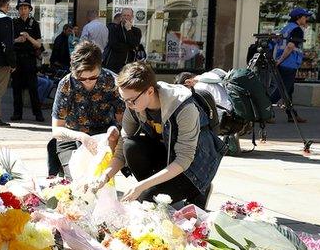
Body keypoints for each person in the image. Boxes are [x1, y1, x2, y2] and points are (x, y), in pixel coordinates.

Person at [96, 62, 224, 208]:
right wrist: (104, 176)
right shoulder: (134, 105)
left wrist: (141, 187)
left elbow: (184, 159)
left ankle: (198, 189)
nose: (127, 105)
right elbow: (121, 149)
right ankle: (156, 189)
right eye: (123, 100)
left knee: (144, 202)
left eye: (131, 101)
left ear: (150, 91)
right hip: (168, 156)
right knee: (130, 146)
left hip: (194, 167)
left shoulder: (184, 107)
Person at [48, 41, 124, 177]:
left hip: (103, 137)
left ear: (100, 68)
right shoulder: (66, 84)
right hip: (71, 136)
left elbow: (123, 121)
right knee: (76, 178)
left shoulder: (112, 81)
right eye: (81, 78)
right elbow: (56, 129)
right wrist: (82, 137)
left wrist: (115, 130)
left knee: (98, 176)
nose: (88, 81)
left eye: (93, 77)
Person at [270, 7, 312, 123]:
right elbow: (290, 46)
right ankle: (265, 110)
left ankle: (292, 114)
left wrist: (277, 60)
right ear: (299, 18)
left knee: (289, 91)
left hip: (282, 63)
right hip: (288, 63)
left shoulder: (286, 28)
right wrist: (281, 60)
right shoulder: (297, 30)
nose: (306, 19)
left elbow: (275, 43)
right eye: (305, 17)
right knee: (283, 90)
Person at [11, 0, 44, 122]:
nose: (23, 10)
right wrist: (17, 40)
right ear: (18, 10)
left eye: (26, 8)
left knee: (33, 88)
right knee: (16, 88)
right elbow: (9, 42)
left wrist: (28, 37)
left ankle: (38, 114)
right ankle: (17, 113)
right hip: (17, 59)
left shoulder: (34, 24)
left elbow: (39, 44)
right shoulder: (14, 23)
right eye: (21, 8)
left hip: (30, 60)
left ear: (30, 9)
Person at [105, 8, 142, 73]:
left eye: (128, 15)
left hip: (129, 65)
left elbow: (135, 44)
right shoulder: (114, 29)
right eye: (124, 15)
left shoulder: (136, 31)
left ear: (132, 17)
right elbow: (114, 45)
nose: (126, 17)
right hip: (114, 65)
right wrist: (129, 47)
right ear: (121, 17)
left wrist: (129, 30)